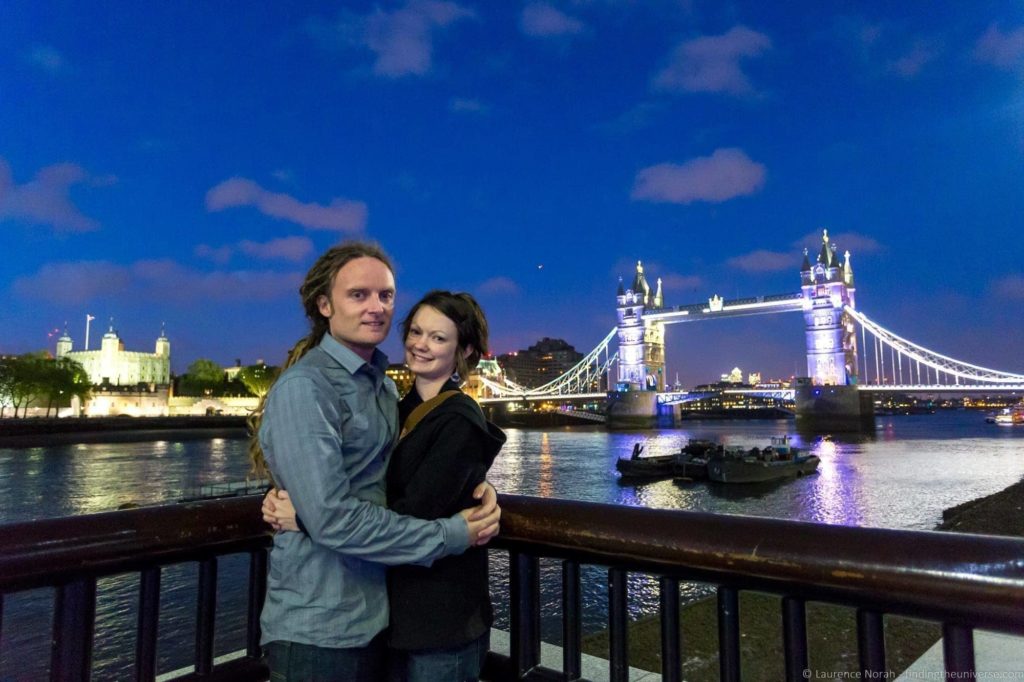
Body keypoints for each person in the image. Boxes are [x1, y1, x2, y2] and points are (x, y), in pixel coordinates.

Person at [250, 242, 501, 682]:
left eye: (385, 295)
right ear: (324, 305)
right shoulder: (306, 389)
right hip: (319, 626)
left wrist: (476, 485)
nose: (376, 308)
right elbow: (331, 517)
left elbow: (394, 481)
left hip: (378, 619)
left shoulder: (382, 390)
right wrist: (454, 533)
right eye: (358, 295)